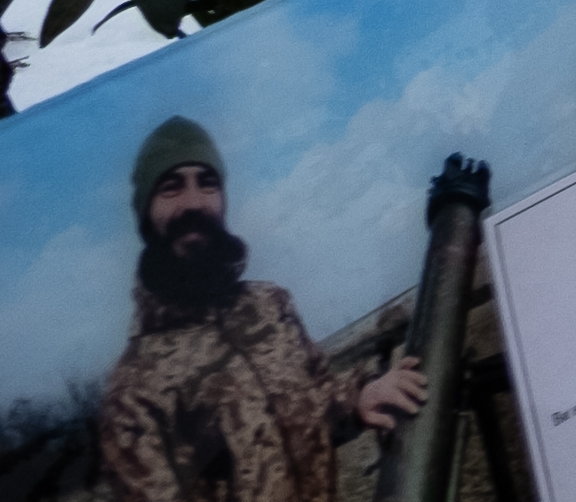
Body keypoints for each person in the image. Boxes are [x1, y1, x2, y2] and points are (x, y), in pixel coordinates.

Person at [96, 119, 425, 502]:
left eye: (208, 182)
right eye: (171, 188)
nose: (194, 202)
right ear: (145, 214)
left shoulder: (270, 305)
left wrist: (359, 397)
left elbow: (317, 399)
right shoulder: (133, 391)